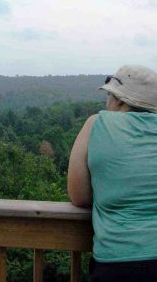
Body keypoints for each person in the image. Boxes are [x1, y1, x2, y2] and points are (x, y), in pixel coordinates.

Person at [67, 65, 157, 281]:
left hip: (117, 262)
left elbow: (79, 196)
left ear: (119, 99)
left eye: (109, 94)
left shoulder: (96, 124)